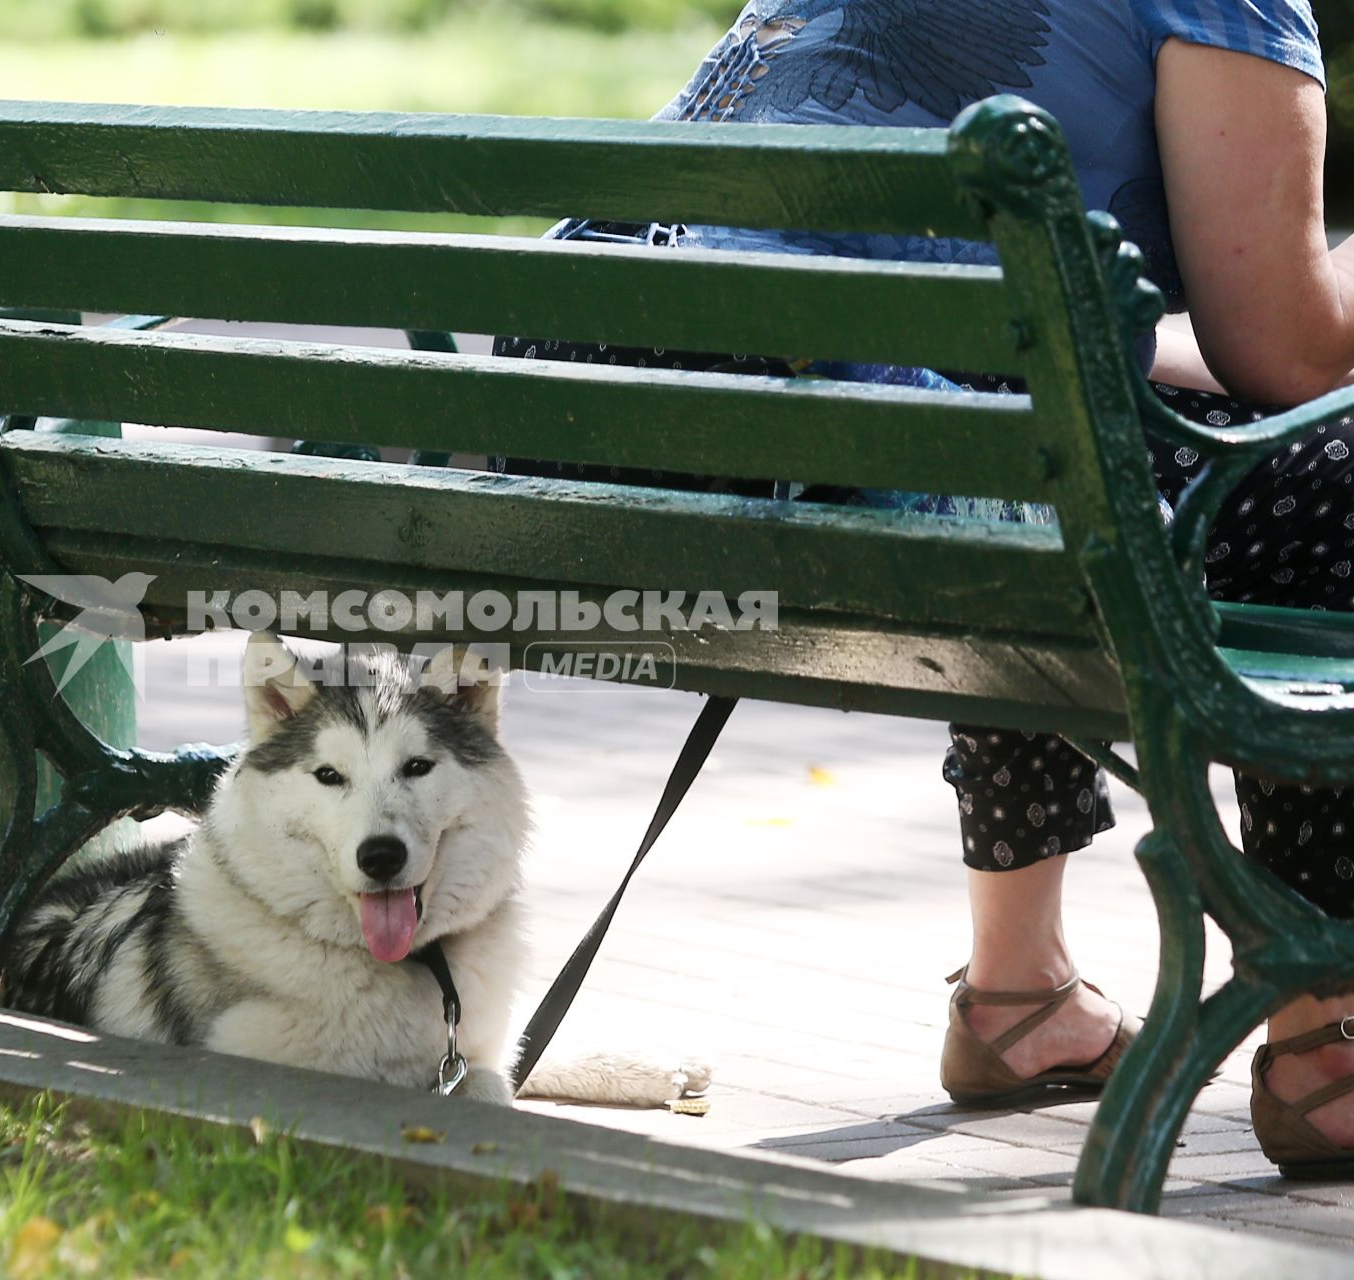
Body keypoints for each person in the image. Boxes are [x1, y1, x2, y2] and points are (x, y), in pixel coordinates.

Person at [496, 0, 1354, 1176]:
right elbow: (1293, 356)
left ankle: (1020, 991)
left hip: (621, 453)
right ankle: (1330, 1040)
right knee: (1292, 467)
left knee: (1040, 441)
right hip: (897, 461)